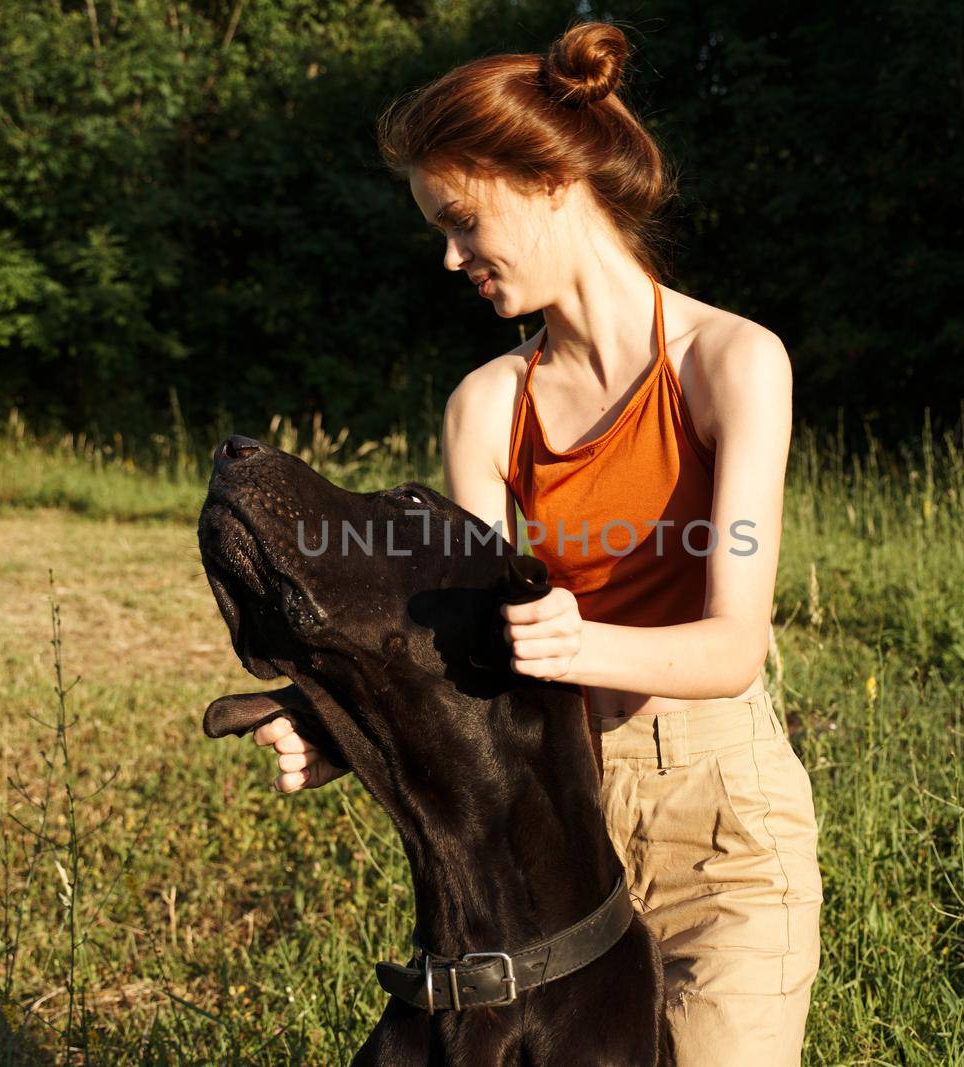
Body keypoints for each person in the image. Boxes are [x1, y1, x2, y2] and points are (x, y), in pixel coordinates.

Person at [247, 20, 821, 1065]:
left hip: (718, 820)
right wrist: (342, 724)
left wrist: (570, 642)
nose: (449, 256)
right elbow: (460, 655)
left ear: (551, 178)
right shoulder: (485, 406)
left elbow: (732, 644)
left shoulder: (732, 362)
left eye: (463, 222)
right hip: (548, 825)